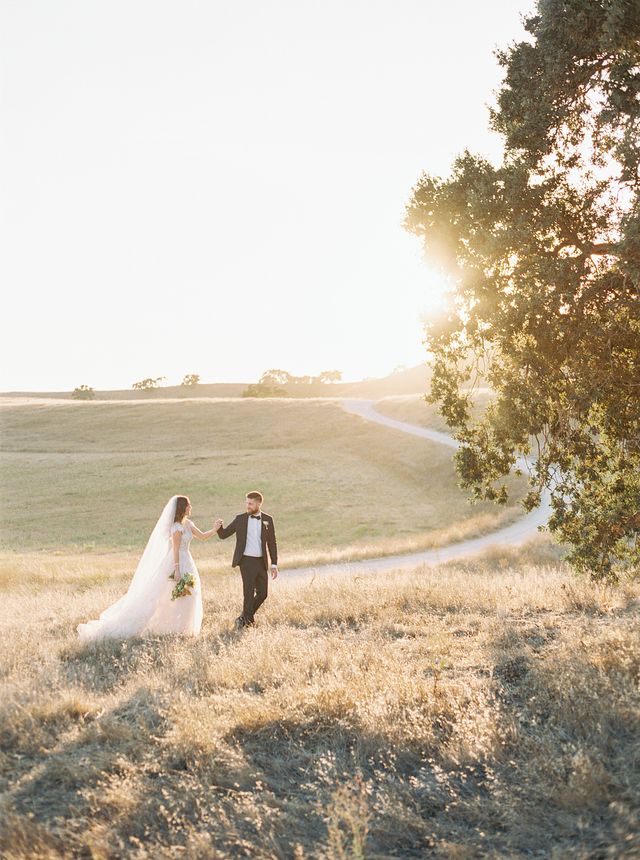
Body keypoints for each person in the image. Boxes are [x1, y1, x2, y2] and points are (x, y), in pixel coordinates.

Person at [77, 495, 217, 642]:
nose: (191, 507)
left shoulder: (188, 524)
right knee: (169, 595)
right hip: (176, 563)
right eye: (189, 505)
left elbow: (202, 536)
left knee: (190, 594)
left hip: (188, 562)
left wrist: (215, 529)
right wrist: (177, 570)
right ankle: (171, 627)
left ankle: (185, 628)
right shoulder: (176, 528)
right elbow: (175, 550)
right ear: (183, 508)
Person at [215, 490, 278, 629]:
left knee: (263, 593)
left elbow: (272, 543)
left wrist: (274, 564)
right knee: (248, 593)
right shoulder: (240, 519)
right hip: (246, 562)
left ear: (258, 504)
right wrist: (219, 528)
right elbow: (224, 534)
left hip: (261, 562)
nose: (247, 506)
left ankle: (243, 618)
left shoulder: (268, 519)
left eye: (250, 503)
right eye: (246, 503)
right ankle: (248, 623)